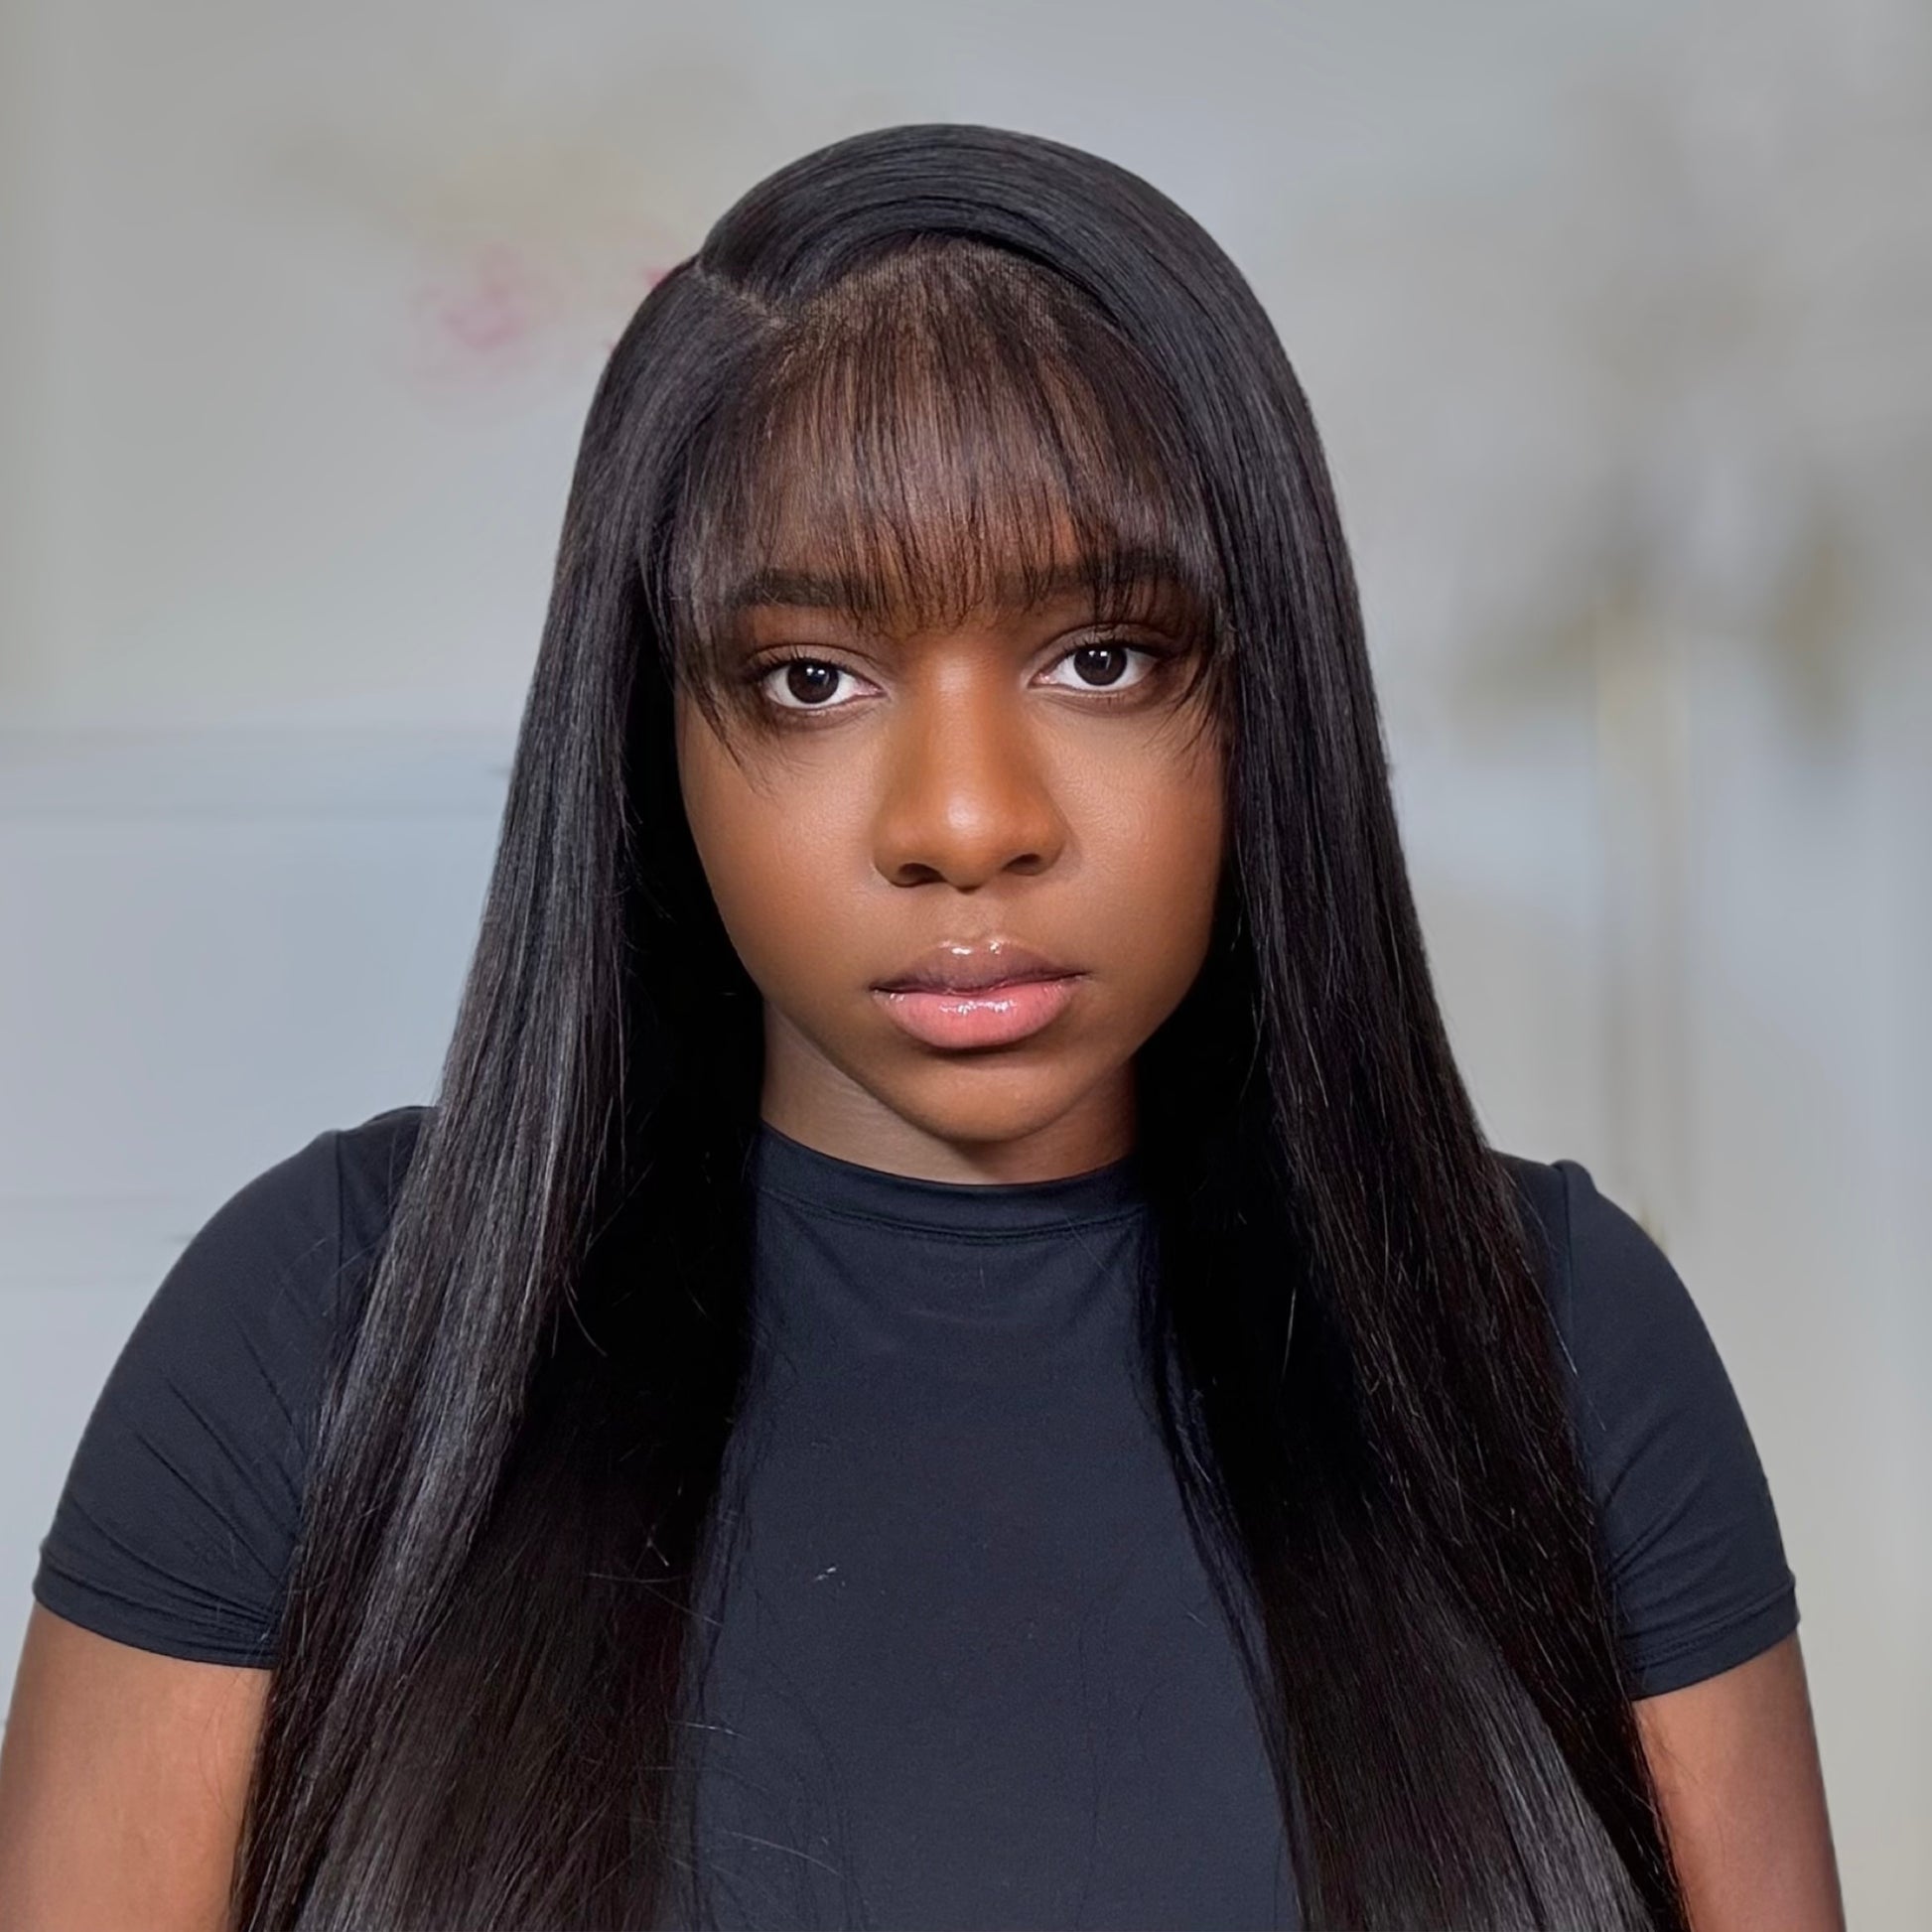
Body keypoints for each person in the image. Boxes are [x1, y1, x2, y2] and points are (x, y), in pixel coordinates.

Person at [0, 123, 1842, 1932]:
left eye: (1097, 657)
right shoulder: (326, 1336)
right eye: (812, 678)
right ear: (651, 730)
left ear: (1262, 686)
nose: (966, 820)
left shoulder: (1558, 1347)